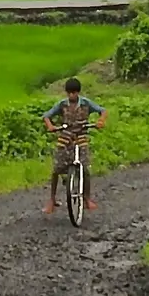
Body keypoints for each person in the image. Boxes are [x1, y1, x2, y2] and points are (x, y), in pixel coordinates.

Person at [42, 77, 106, 215]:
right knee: (56, 169)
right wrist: (50, 126)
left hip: (81, 137)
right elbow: (46, 116)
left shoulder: (86, 103)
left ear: (78, 92)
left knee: (85, 168)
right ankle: (52, 200)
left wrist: (101, 120)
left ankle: (87, 198)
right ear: (66, 93)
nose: (72, 95)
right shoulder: (62, 104)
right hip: (65, 137)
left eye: (74, 93)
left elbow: (103, 110)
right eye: (69, 93)